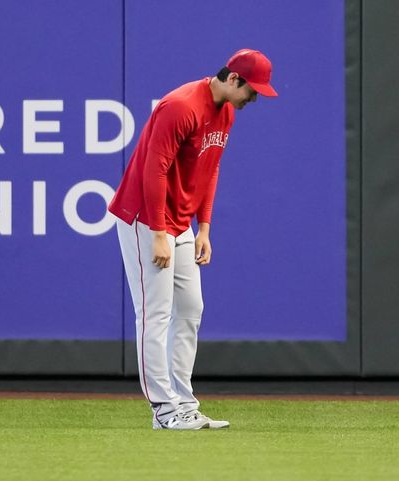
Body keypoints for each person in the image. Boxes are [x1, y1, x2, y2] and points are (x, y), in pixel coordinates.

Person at [108, 49, 278, 430]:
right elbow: (154, 170)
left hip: (181, 222)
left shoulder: (227, 111)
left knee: (190, 309)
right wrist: (157, 233)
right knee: (155, 314)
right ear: (234, 79)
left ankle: (184, 404)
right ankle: (164, 411)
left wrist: (204, 227)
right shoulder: (181, 105)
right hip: (144, 219)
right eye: (253, 90)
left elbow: (210, 167)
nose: (255, 99)